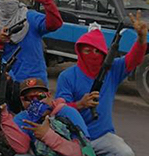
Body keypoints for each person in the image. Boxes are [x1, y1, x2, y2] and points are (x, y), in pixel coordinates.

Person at [55, 12, 147, 156]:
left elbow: (133, 59)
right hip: (73, 138)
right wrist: (80, 104)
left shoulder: (112, 70)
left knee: (125, 153)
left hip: (102, 136)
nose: (92, 54)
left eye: (98, 51)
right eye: (87, 50)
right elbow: (59, 109)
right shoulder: (67, 76)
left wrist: (141, 39)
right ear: (79, 51)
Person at [0, 78, 92, 156]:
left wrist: (47, 135)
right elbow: (21, 148)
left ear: (49, 96)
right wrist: (3, 115)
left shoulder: (67, 112)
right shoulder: (23, 118)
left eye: (40, 97)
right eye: (28, 98)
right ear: (22, 101)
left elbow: (85, 151)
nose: (35, 102)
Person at [0, 0, 63, 84]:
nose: (6, 1)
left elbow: (55, 24)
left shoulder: (30, 18)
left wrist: (45, 0)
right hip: (9, 81)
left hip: (35, 80)